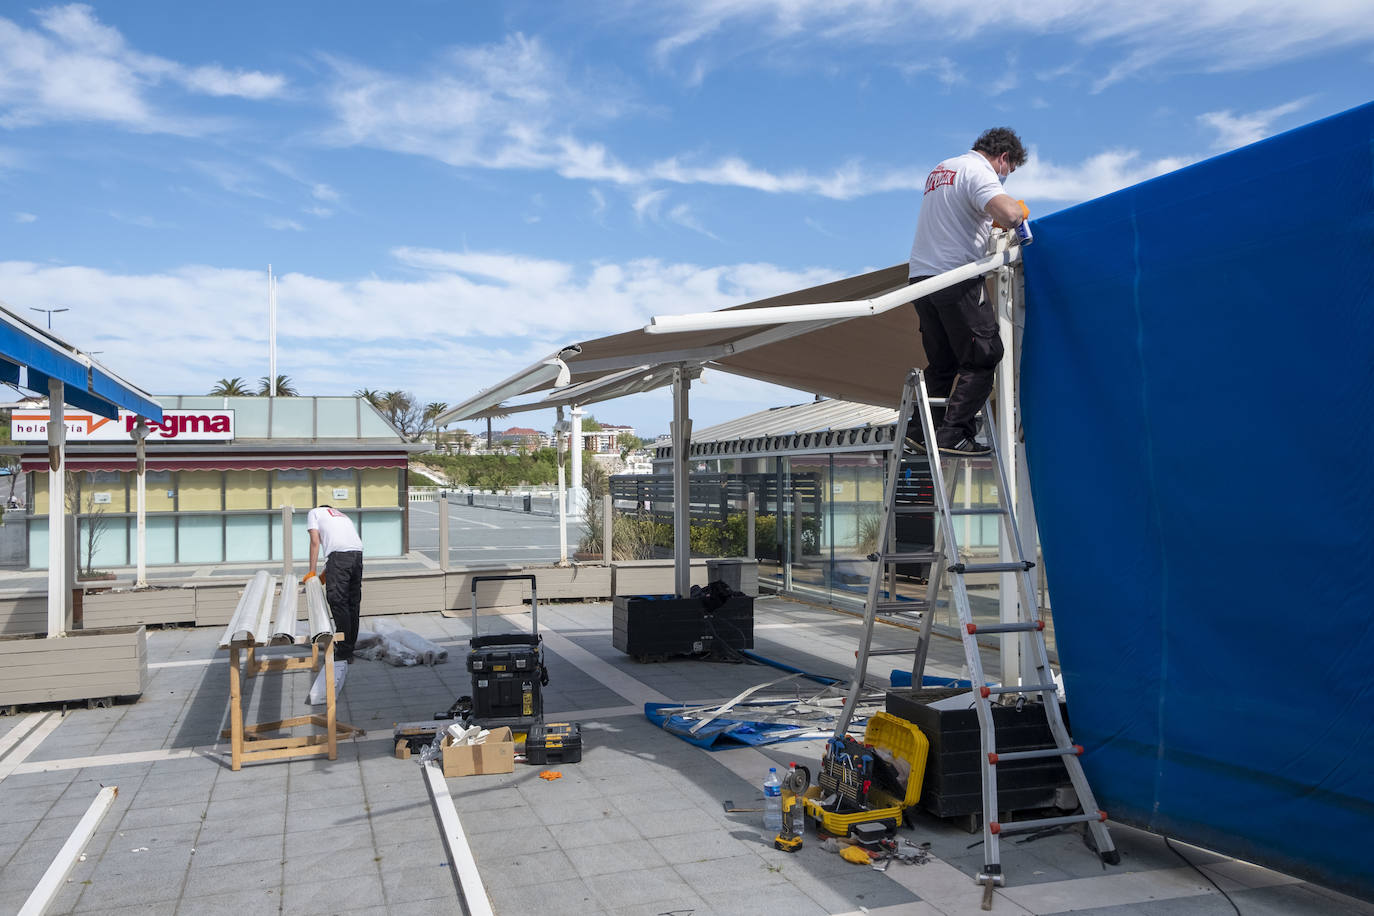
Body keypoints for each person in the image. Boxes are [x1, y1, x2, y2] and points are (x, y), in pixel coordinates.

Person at [907, 127, 1029, 456]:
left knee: (944, 362)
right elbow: (1008, 212)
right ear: (1003, 158)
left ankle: (920, 432)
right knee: (984, 354)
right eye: (1010, 169)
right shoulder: (979, 171)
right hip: (955, 276)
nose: (1006, 176)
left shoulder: (943, 169)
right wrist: (1018, 214)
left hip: (921, 279)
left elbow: (957, 217)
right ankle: (955, 434)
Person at [306, 504, 364, 663]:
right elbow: (341, 549)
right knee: (353, 603)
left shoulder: (314, 512)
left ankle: (343, 652)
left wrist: (311, 572)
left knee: (337, 601)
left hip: (339, 557)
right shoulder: (341, 515)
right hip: (357, 555)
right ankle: (349, 648)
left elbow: (315, 542)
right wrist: (325, 574)